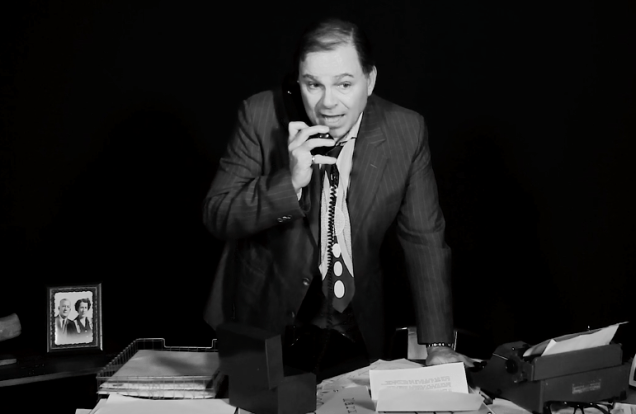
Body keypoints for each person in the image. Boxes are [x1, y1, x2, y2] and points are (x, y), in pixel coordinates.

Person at [202, 17, 472, 379]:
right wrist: (291, 182)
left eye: (344, 84)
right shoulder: (260, 115)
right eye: (313, 85)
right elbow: (218, 214)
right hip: (266, 319)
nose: (328, 104)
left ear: (370, 80)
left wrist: (438, 347)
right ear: (297, 81)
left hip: (357, 323)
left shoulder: (406, 130)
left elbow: (424, 239)